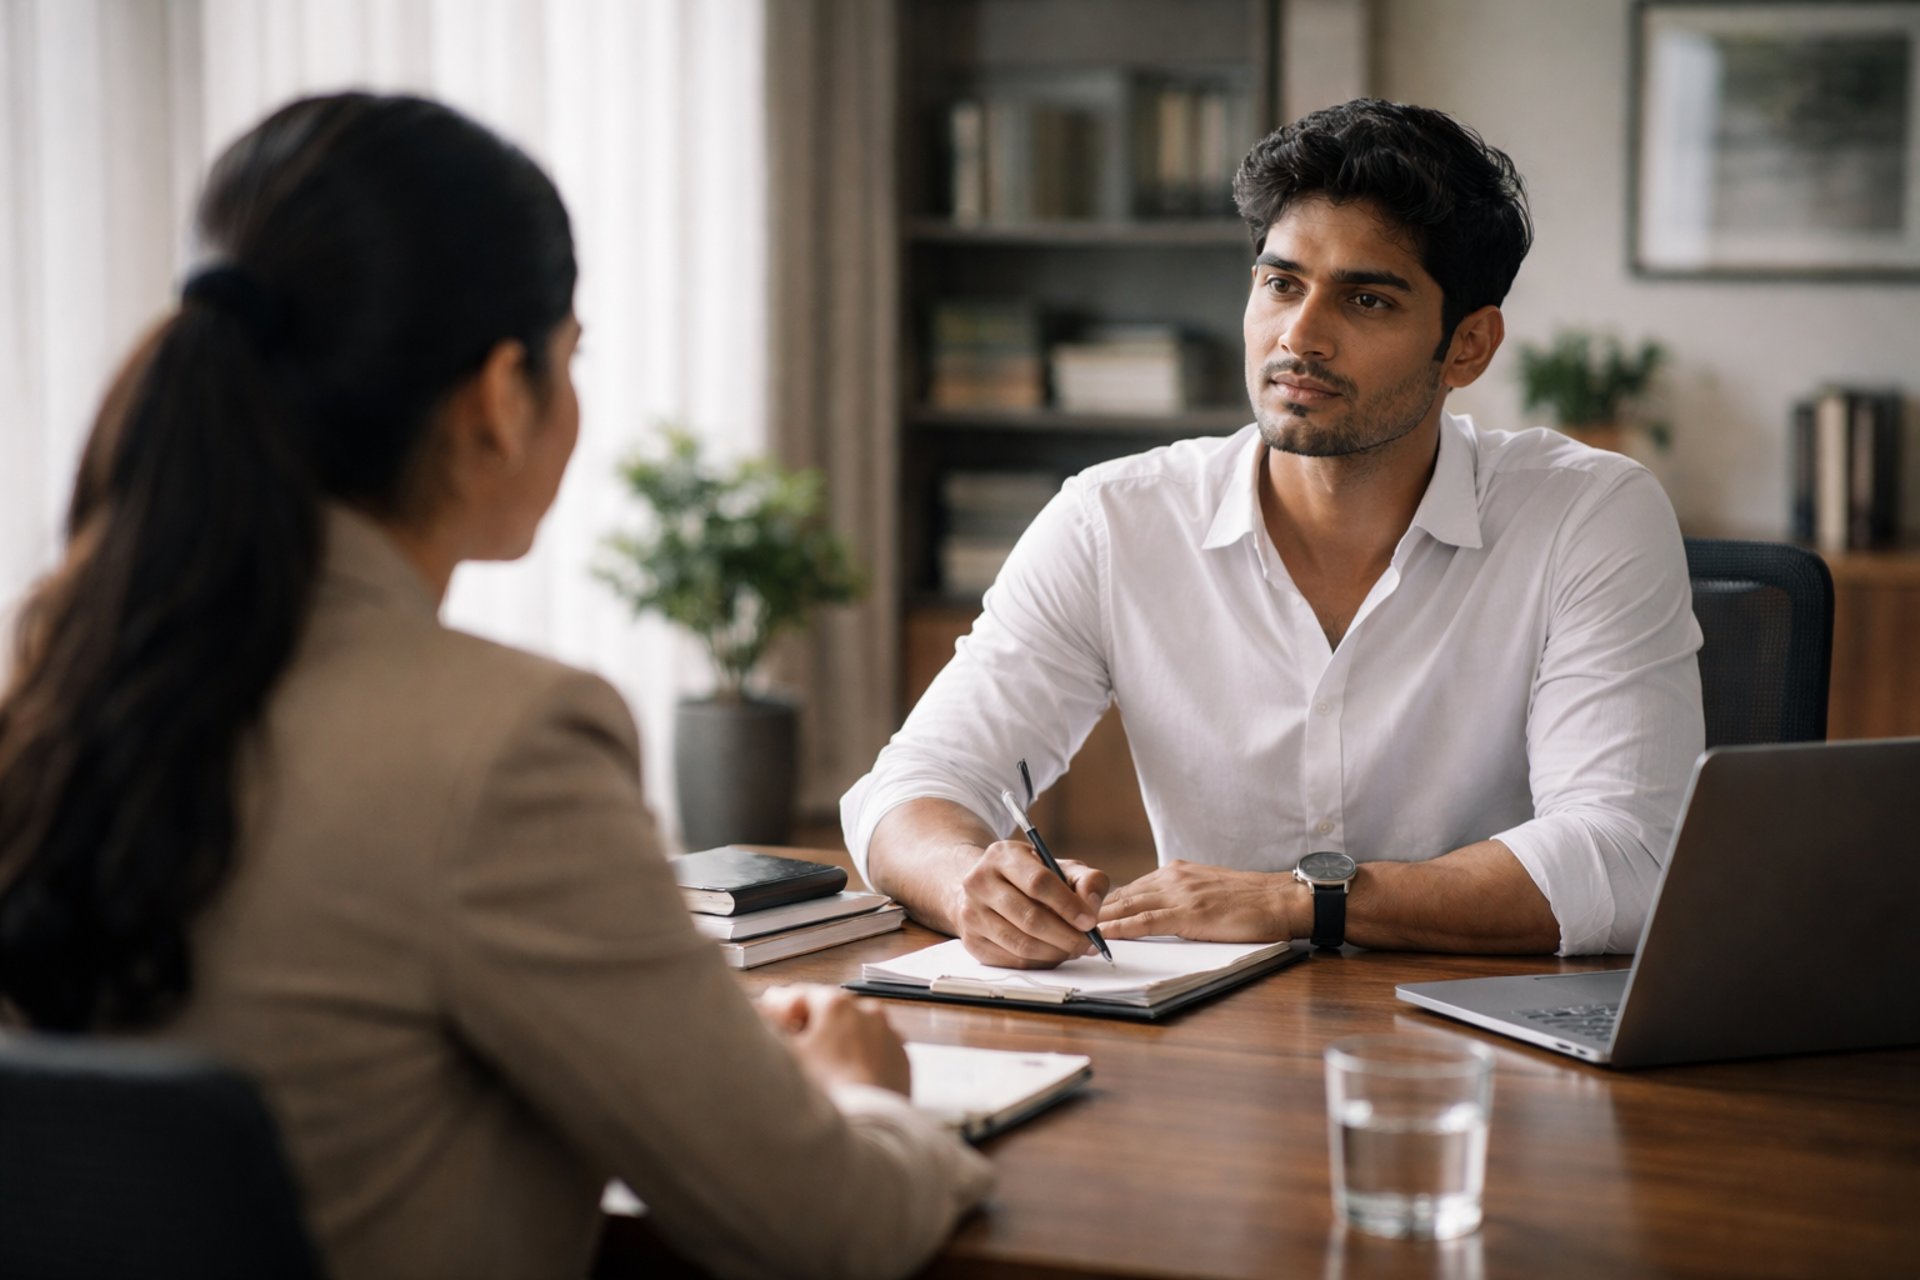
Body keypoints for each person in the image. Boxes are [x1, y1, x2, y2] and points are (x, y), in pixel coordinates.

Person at [0, 93, 987, 1280]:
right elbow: (831, 1226)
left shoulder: (49, 688)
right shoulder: (508, 743)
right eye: (571, 362)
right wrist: (866, 1096)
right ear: (498, 396)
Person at [843, 99, 1703, 966]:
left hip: (1482, 1040)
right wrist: (971, 886)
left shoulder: (1587, 515)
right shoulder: (1114, 520)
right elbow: (912, 787)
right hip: (1212, 1035)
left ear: (1469, 347)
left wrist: (1302, 903)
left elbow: (1628, 858)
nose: (1300, 336)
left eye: (1366, 299)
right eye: (1281, 283)